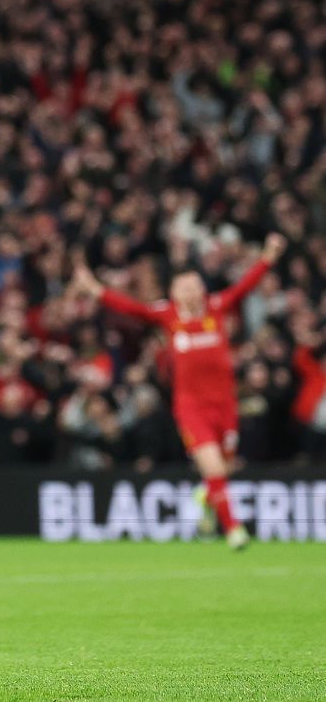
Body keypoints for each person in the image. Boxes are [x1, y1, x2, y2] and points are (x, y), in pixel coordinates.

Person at [71, 233, 286, 550]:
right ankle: (234, 530)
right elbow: (131, 307)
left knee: (222, 470)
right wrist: (95, 289)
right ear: (174, 292)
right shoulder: (168, 316)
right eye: (185, 287)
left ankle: (205, 497)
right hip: (191, 408)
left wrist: (268, 255)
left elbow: (244, 287)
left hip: (225, 404)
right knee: (213, 467)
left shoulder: (216, 308)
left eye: (196, 285)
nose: (193, 291)